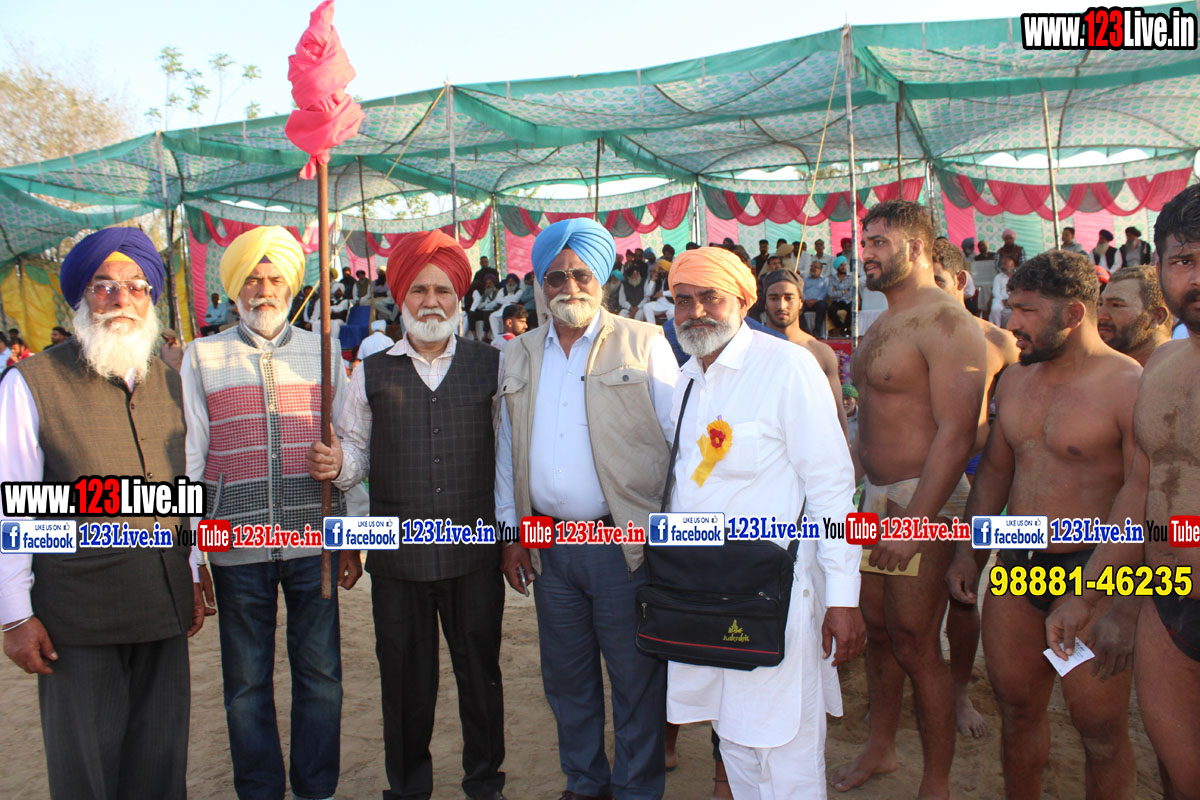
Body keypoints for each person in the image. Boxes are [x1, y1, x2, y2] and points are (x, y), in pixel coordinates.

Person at [0, 226, 205, 800]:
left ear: (151, 299)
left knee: (160, 767)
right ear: (81, 298)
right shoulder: (32, 384)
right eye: (104, 286)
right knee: (86, 775)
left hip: (162, 608)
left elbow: (182, 489)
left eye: (137, 286)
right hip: (77, 619)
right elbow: (12, 506)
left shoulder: (169, 382)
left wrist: (192, 571)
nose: (121, 299)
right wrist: (15, 616)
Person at [309, 229, 508, 800]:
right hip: (398, 561)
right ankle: (408, 789)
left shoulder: (491, 366)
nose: (431, 302)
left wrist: (511, 534)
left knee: (481, 679)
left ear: (459, 296)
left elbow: (505, 457)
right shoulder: (371, 371)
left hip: (474, 555)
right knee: (403, 686)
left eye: (443, 290)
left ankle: (484, 785)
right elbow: (356, 455)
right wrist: (338, 463)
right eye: (419, 289)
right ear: (400, 297)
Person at [660, 245, 865, 799]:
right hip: (705, 598)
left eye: (710, 297)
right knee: (734, 741)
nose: (695, 311)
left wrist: (842, 599)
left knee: (785, 752)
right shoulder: (685, 382)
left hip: (776, 598)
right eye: (683, 300)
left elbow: (831, 489)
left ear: (743, 301)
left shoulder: (786, 368)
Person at [946, 250, 1141, 800]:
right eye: (1011, 307)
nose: (1012, 322)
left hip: (1095, 572)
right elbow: (994, 476)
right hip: (1018, 566)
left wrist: (1121, 601)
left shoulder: (1128, 384)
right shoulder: (1014, 381)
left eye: (1027, 310)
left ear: (1074, 314)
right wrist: (968, 553)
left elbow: (1142, 495)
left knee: (1098, 730)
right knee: (1017, 710)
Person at [496, 218, 679, 800]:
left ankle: (636, 789)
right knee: (566, 678)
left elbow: (678, 441)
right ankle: (584, 782)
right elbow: (507, 449)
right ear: (540, 284)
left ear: (602, 278)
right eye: (555, 277)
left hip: (624, 546)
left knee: (635, 679)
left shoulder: (643, 342)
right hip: (547, 546)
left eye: (581, 274)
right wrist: (509, 534)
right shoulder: (520, 352)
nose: (569, 286)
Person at [182, 226, 356, 800]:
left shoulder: (324, 351)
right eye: (252, 279)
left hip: (314, 546)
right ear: (235, 287)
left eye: (274, 278)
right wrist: (193, 554)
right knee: (245, 687)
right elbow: (192, 458)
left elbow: (349, 446)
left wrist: (351, 534)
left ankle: (316, 790)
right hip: (235, 548)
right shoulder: (202, 356)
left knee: (321, 679)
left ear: (291, 286)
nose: (263, 289)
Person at [1046, 183, 1200, 799]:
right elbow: (1140, 490)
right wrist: (1090, 594)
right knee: (1182, 777)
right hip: (1169, 602)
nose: (1197, 276)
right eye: (1184, 260)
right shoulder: (1162, 369)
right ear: (1161, 270)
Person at [833, 200, 986, 798]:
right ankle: (881, 749)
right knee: (877, 631)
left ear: (917, 247)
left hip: (923, 502)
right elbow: (868, 421)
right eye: (864, 242)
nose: (866, 253)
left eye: (880, 242)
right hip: (874, 499)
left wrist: (916, 521)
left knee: (918, 642)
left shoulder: (946, 322)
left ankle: (936, 782)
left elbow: (957, 430)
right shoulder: (883, 320)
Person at [927, 239, 1020, 737]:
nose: (929, 294)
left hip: (977, 477)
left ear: (961, 281)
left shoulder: (1000, 342)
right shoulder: (907, 333)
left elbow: (1016, 419)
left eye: (938, 283)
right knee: (910, 595)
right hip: (918, 478)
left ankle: (960, 691)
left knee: (963, 591)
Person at [760, 269, 849, 440]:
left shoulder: (820, 352)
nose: (781, 305)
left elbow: (837, 413)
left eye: (789, 298)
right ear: (765, 303)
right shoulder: (751, 346)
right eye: (774, 298)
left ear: (801, 302)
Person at [1097, 266, 1172, 366]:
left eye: (1116, 305)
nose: (1100, 315)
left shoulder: (1186, 371)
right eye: (1100, 304)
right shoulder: (1100, 370)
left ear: (1157, 317)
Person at [488, 274, 524, 338]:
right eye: (509, 281)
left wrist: (505, 298)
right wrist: (509, 300)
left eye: (512, 281)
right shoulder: (502, 290)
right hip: (502, 309)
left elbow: (515, 300)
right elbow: (498, 300)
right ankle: (497, 337)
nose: (510, 283)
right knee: (492, 316)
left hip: (513, 309)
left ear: (516, 282)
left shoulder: (519, 291)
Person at [802, 260, 830, 338]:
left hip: (818, 302)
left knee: (822, 306)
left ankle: (817, 330)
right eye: (812, 266)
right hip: (806, 301)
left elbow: (825, 293)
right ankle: (805, 330)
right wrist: (805, 300)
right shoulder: (805, 279)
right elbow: (801, 291)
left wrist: (816, 300)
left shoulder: (824, 280)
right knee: (798, 306)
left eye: (816, 267)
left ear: (820, 270)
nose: (813, 268)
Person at [828, 261, 856, 337]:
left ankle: (845, 329)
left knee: (852, 309)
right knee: (831, 310)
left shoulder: (851, 277)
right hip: (837, 301)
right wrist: (844, 291)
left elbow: (851, 293)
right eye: (841, 265)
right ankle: (841, 327)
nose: (843, 267)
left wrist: (837, 291)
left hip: (848, 300)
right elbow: (830, 294)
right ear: (837, 267)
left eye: (845, 265)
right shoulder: (832, 278)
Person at [990, 254, 1017, 328]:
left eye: (1005, 264)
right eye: (1002, 264)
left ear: (1013, 265)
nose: (1003, 266)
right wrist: (1003, 300)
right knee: (995, 308)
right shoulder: (998, 277)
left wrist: (1011, 300)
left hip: (1014, 300)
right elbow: (995, 291)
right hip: (1000, 300)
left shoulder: (1017, 277)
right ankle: (997, 328)